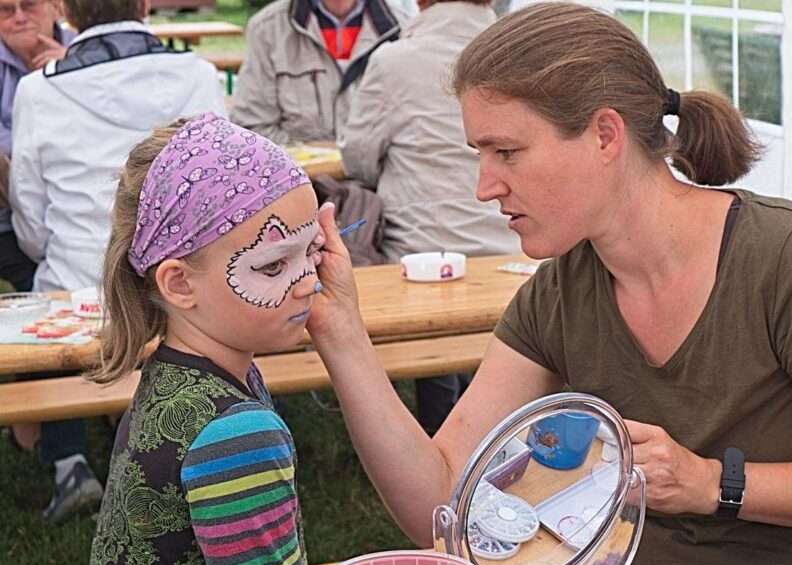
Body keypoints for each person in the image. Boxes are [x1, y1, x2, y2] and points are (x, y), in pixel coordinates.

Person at [306, 1, 792, 565]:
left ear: (604, 135)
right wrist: (341, 334)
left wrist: (713, 484)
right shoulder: (561, 290)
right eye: (480, 154)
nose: (484, 187)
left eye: (506, 152)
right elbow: (443, 505)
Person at [83, 113, 323, 565]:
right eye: (273, 266)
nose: (308, 281)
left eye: (313, 251)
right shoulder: (236, 433)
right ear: (179, 284)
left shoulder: (173, 375)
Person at [8, 0, 224, 523]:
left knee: (52, 287)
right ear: (146, 5)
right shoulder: (199, 74)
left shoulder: (37, 91)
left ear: (65, 11)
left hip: (80, 285)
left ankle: (69, 462)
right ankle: (195, 458)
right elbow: (220, 195)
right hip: (179, 289)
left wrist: (58, 250)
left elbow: (30, 215)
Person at [341, 0, 517, 431]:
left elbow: (357, 159)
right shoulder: (521, 55)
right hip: (512, 244)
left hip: (420, 253)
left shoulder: (394, 61)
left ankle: (440, 436)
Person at [231, 0, 408, 146]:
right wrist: (314, 156)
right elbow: (251, 130)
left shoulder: (404, 27)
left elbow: (413, 132)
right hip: (301, 175)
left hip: (379, 177)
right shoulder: (267, 29)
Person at [0, 0, 73, 292]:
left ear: (57, 8)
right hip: (8, 218)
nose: (19, 18)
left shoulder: (85, 51)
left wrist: (73, 67)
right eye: (6, 10)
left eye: (29, 6)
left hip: (78, 207)